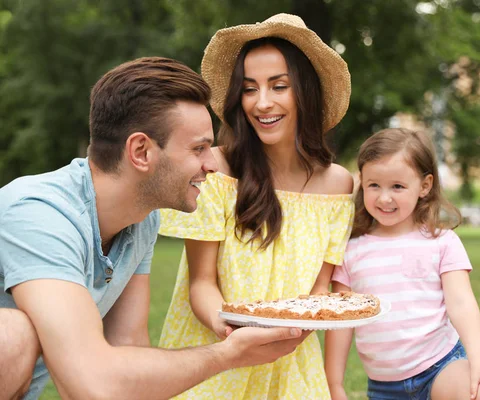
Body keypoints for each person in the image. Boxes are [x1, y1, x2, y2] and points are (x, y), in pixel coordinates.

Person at [0, 56, 310, 400]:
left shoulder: (142, 219)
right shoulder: (38, 213)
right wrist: (230, 353)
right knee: (12, 334)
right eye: (198, 148)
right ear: (141, 151)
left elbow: (128, 346)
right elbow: (91, 384)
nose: (211, 164)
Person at [157, 13, 354, 399]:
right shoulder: (214, 170)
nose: (262, 103)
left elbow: (319, 288)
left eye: (279, 86)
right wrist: (230, 333)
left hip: (291, 364)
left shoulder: (338, 185)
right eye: (249, 89)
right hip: (215, 357)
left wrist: (295, 329)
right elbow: (201, 282)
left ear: (306, 91)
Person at [324, 128, 480, 400]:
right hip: (385, 387)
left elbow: (461, 303)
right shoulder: (351, 251)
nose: (384, 197)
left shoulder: (442, 242)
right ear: (362, 182)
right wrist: (334, 384)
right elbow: (342, 323)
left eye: (397, 186)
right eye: (374, 185)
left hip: (441, 368)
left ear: (425, 186)